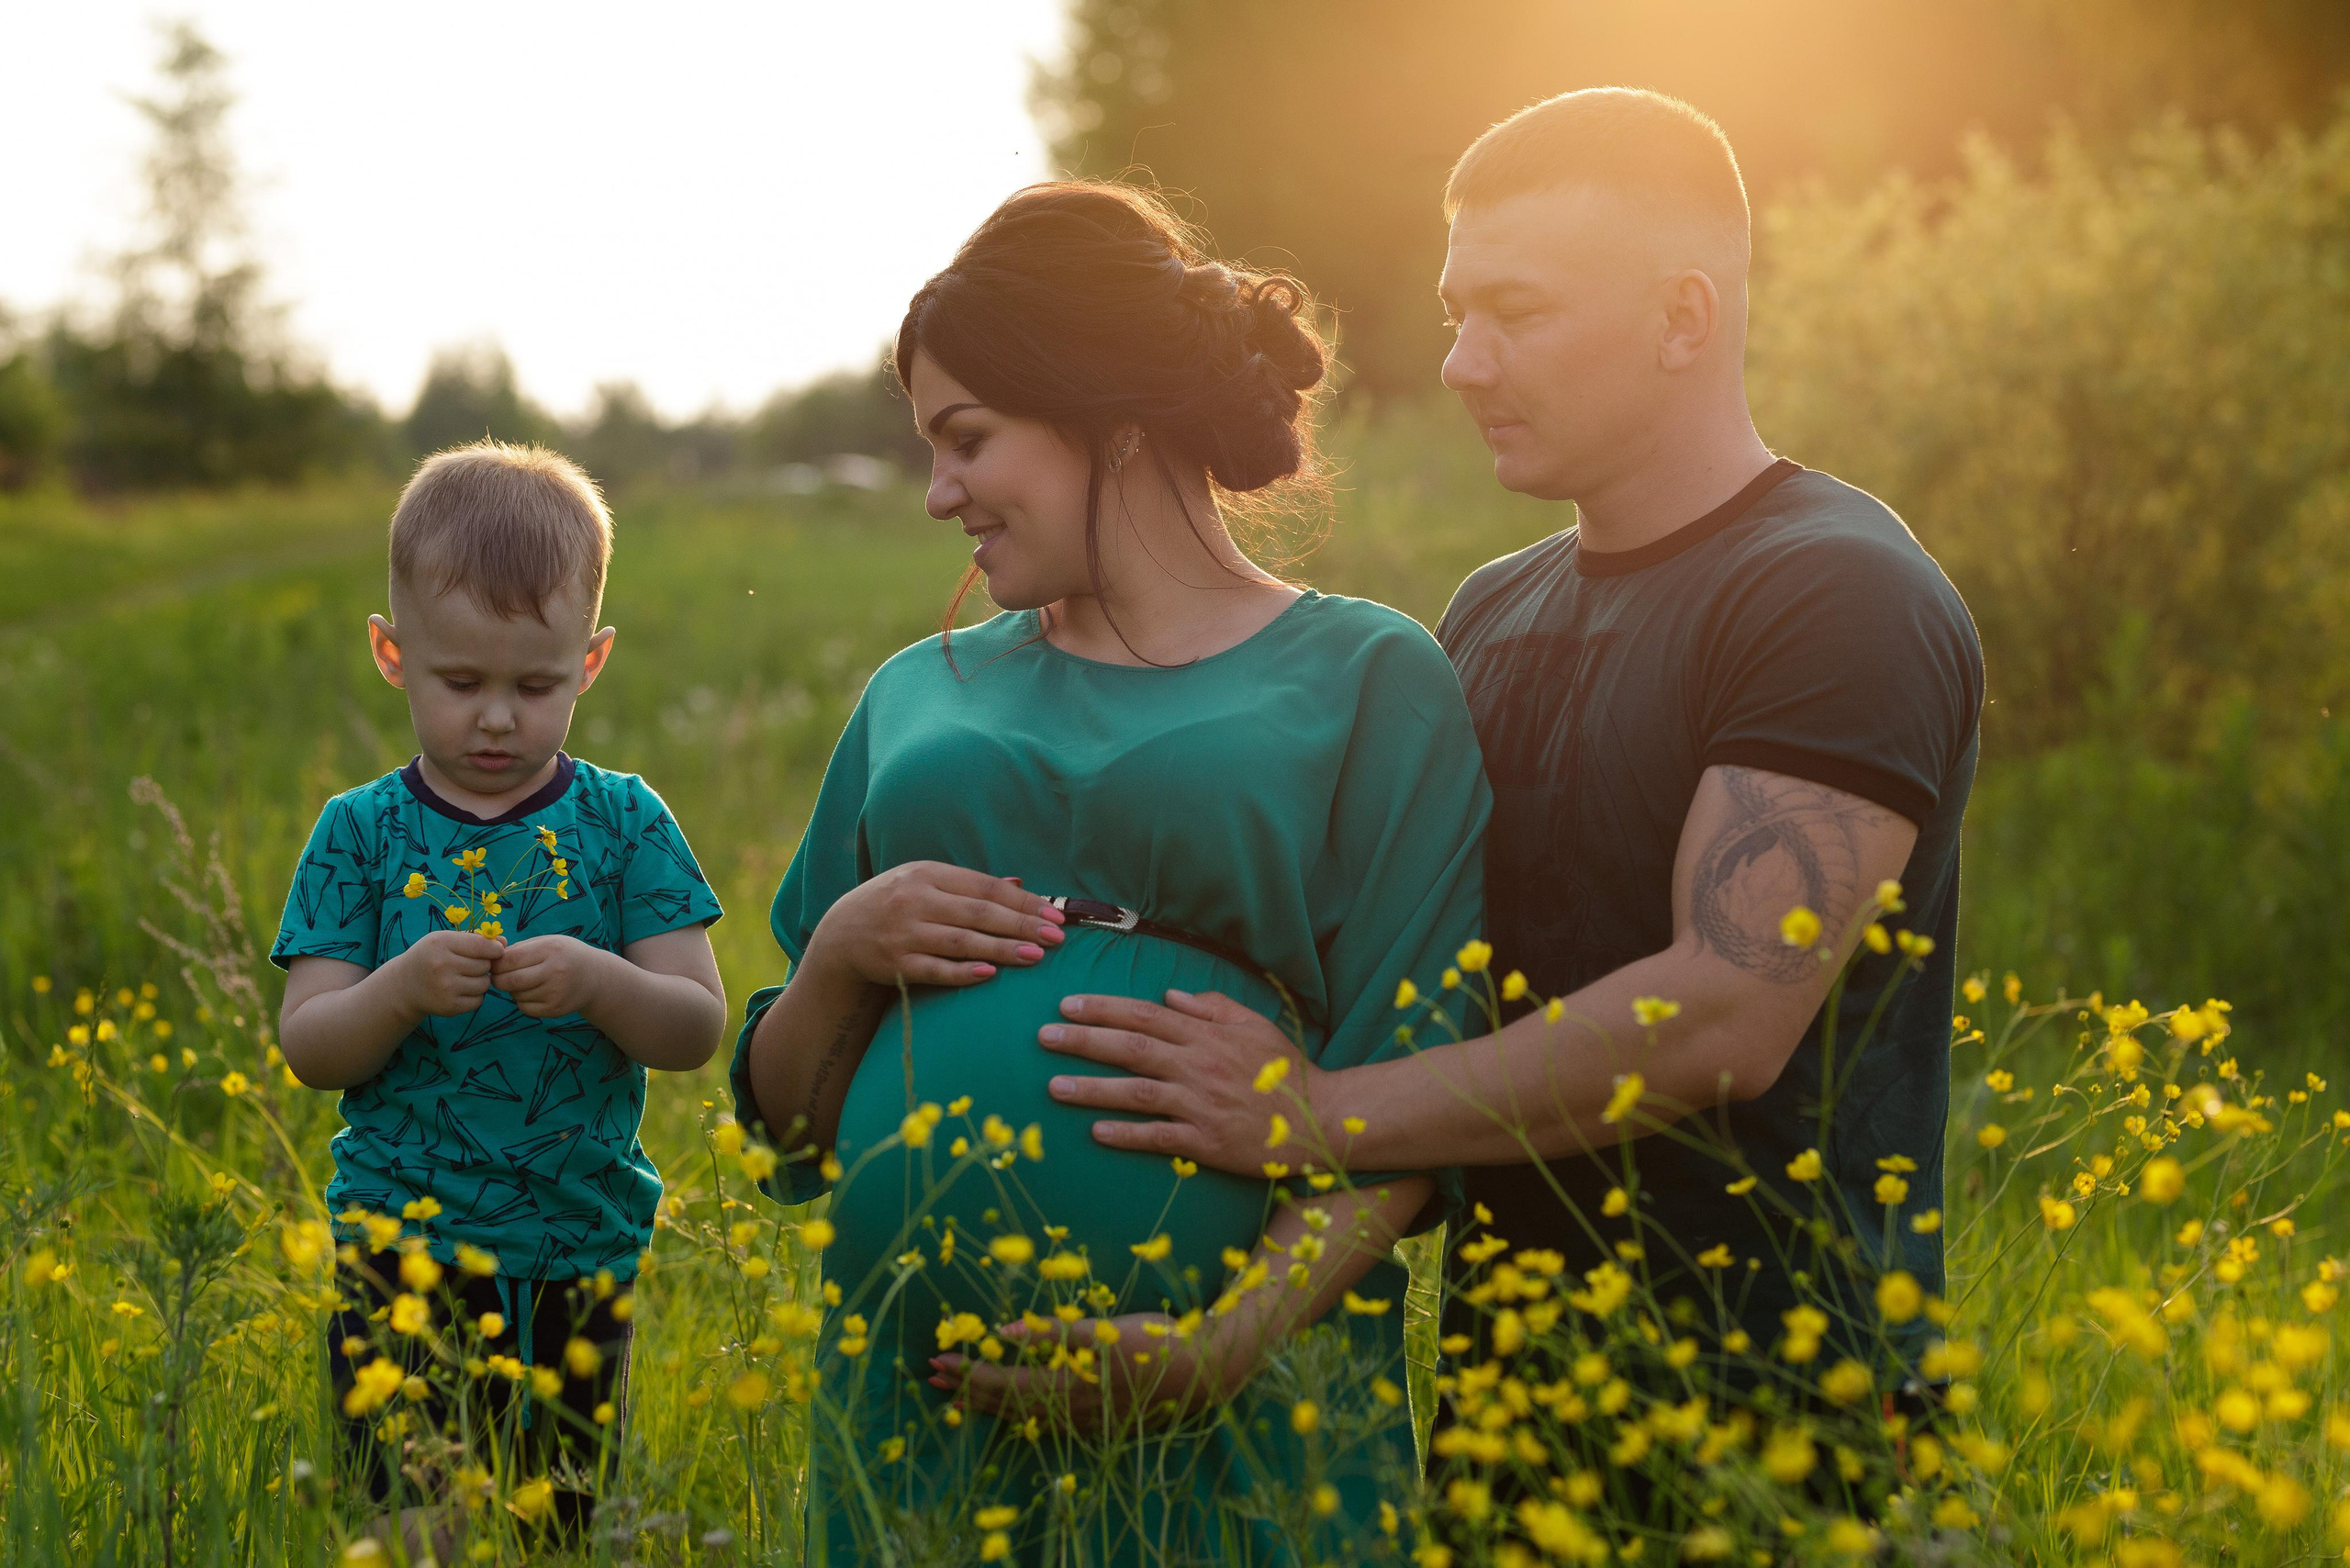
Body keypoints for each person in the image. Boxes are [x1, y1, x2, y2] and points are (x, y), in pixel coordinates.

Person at [1033, 90, 1985, 1390]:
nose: (1465, 364)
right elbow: (1407, 988)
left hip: (1784, 1416)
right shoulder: (1490, 610)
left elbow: (1720, 1018)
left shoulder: (1834, 592)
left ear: (1683, 316)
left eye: (1519, 314)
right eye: (1456, 316)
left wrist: (1311, 1115)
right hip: (1512, 1409)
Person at [727, 182, 1490, 1564]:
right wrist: (839, 954)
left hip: (1239, 1405)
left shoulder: (1371, 679)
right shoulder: (916, 696)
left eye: (967, 441)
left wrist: (1219, 1345)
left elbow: (1414, 1099)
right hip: (917, 1419)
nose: (938, 493)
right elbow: (783, 1127)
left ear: (1110, 420)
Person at [272, 442, 728, 1551]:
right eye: (459, 681)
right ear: (392, 653)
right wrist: (399, 989)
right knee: (412, 1521)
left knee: (551, 1525)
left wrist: (598, 979)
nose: (495, 720)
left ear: (592, 661)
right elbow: (312, 1043)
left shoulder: (626, 823)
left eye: (534, 685)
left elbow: (695, 1026)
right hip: (398, 1250)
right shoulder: (359, 832)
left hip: (576, 1248)